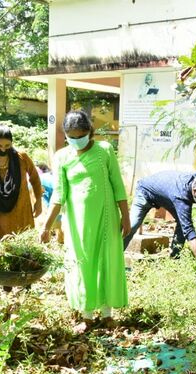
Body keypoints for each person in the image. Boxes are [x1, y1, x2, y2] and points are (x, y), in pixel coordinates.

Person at [40, 110, 130, 326]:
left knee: (107, 260)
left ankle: (107, 314)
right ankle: (86, 315)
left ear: (90, 132)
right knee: (82, 263)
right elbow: (59, 194)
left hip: (106, 217)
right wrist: (46, 226)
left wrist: (126, 217)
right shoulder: (62, 157)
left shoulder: (105, 150)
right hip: (77, 221)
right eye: (71, 137)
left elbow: (117, 186)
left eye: (80, 136)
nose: (76, 140)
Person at [123, 170, 196, 274]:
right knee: (131, 225)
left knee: (182, 224)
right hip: (145, 192)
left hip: (166, 196)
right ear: (194, 191)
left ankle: (173, 259)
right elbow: (189, 230)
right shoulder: (181, 197)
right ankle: (114, 258)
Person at [0, 125, 43, 240]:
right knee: (6, 245)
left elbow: (35, 179)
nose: (3, 149)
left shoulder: (22, 157)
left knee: (26, 244)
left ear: (12, 142)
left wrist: (38, 201)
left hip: (22, 209)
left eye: (7, 145)